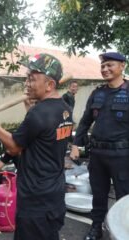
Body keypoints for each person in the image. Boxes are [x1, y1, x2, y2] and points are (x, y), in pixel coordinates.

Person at [0, 53, 73, 240]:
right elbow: (42, 134)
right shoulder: (65, 109)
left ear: (50, 85)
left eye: (32, 79)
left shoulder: (39, 113)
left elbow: (13, 148)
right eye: (26, 77)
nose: (26, 83)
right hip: (54, 193)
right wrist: (29, 110)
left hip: (35, 197)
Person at [70, 52, 129, 240]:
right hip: (97, 154)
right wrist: (75, 145)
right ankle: (96, 228)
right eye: (103, 66)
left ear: (122, 66)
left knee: (124, 197)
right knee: (98, 194)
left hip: (122, 155)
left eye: (110, 65)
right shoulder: (98, 93)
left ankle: (122, 232)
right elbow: (85, 122)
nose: (105, 69)